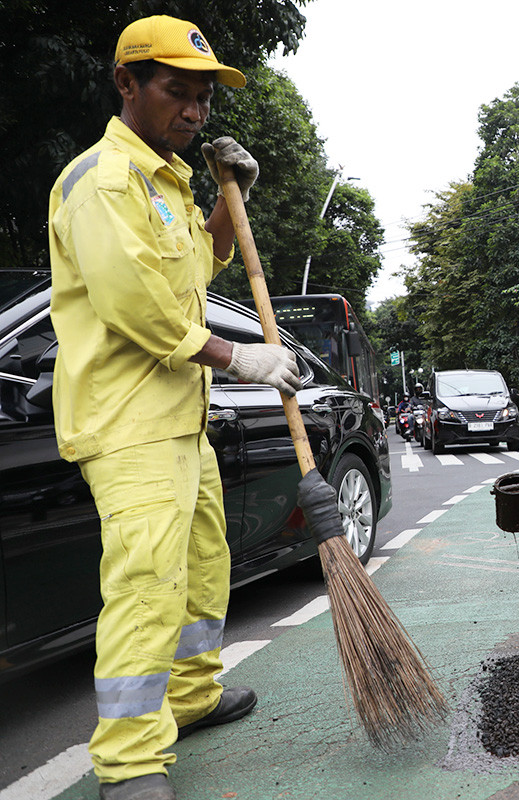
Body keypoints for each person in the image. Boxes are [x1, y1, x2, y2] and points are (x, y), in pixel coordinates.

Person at [48, 16, 301, 800]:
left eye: (202, 100)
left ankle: (190, 697)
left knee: (200, 570)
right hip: (126, 424)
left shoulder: (169, 183)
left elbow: (207, 261)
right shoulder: (101, 181)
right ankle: (128, 760)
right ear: (127, 84)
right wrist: (240, 356)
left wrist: (235, 196)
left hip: (181, 420)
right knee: (147, 583)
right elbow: (138, 306)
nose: (193, 111)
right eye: (176, 92)